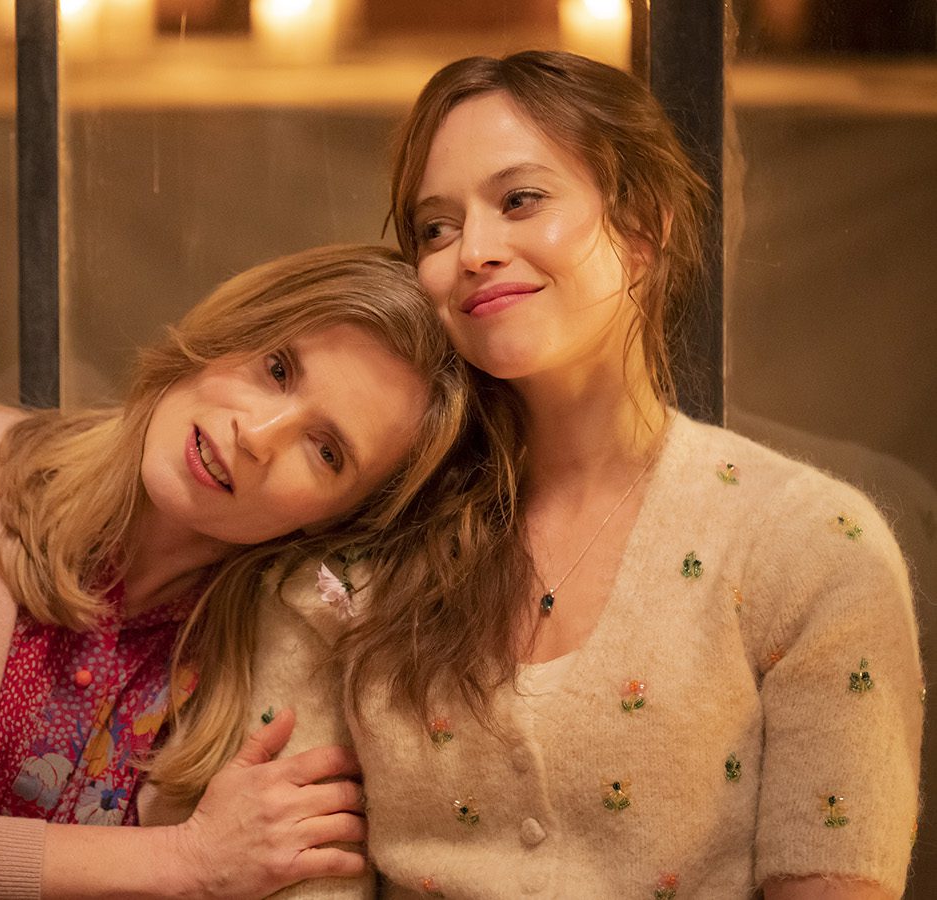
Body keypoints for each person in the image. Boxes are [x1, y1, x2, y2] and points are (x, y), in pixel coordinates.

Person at [228, 52, 923, 899]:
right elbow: (295, 876)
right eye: (436, 229)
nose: (473, 251)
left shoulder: (811, 546)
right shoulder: (355, 556)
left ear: (644, 227)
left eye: (520, 199)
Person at [0, 244, 471, 899]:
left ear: (336, 519)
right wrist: (185, 861)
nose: (258, 435)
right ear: (229, 333)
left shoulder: (274, 658)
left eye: (326, 450)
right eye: (276, 368)